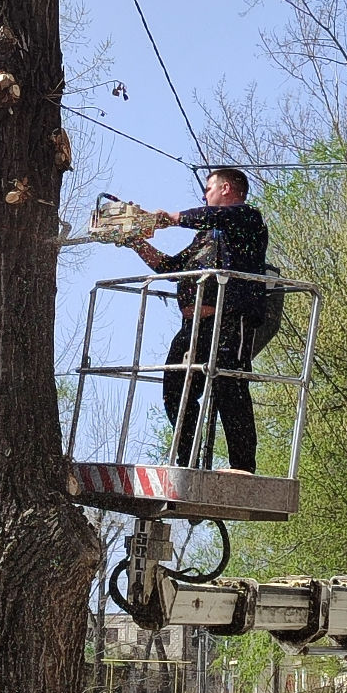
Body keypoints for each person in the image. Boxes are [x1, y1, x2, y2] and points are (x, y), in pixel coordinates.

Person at [123, 167, 268, 472]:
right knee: (175, 389)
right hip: (192, 327)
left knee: (230, 387)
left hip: (230, 321)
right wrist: (136, 242)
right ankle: (188, 461)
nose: (205, 195)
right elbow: (170, 266)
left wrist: (170, 218)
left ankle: (243, 465)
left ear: (226, 188)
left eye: (209, 188)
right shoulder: (205, 236)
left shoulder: (247, 219)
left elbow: (213, 216)